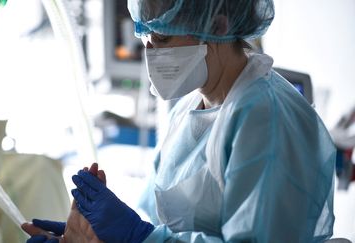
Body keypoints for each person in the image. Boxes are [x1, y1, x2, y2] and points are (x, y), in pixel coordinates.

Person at [23, 0, 336, 242]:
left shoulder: (267, 119)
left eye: (160, 36)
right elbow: (162, 225)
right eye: (144, 34)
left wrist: (138, 236)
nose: (148, 51)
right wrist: (95, 235)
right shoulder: (186, 110)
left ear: (219, 25)